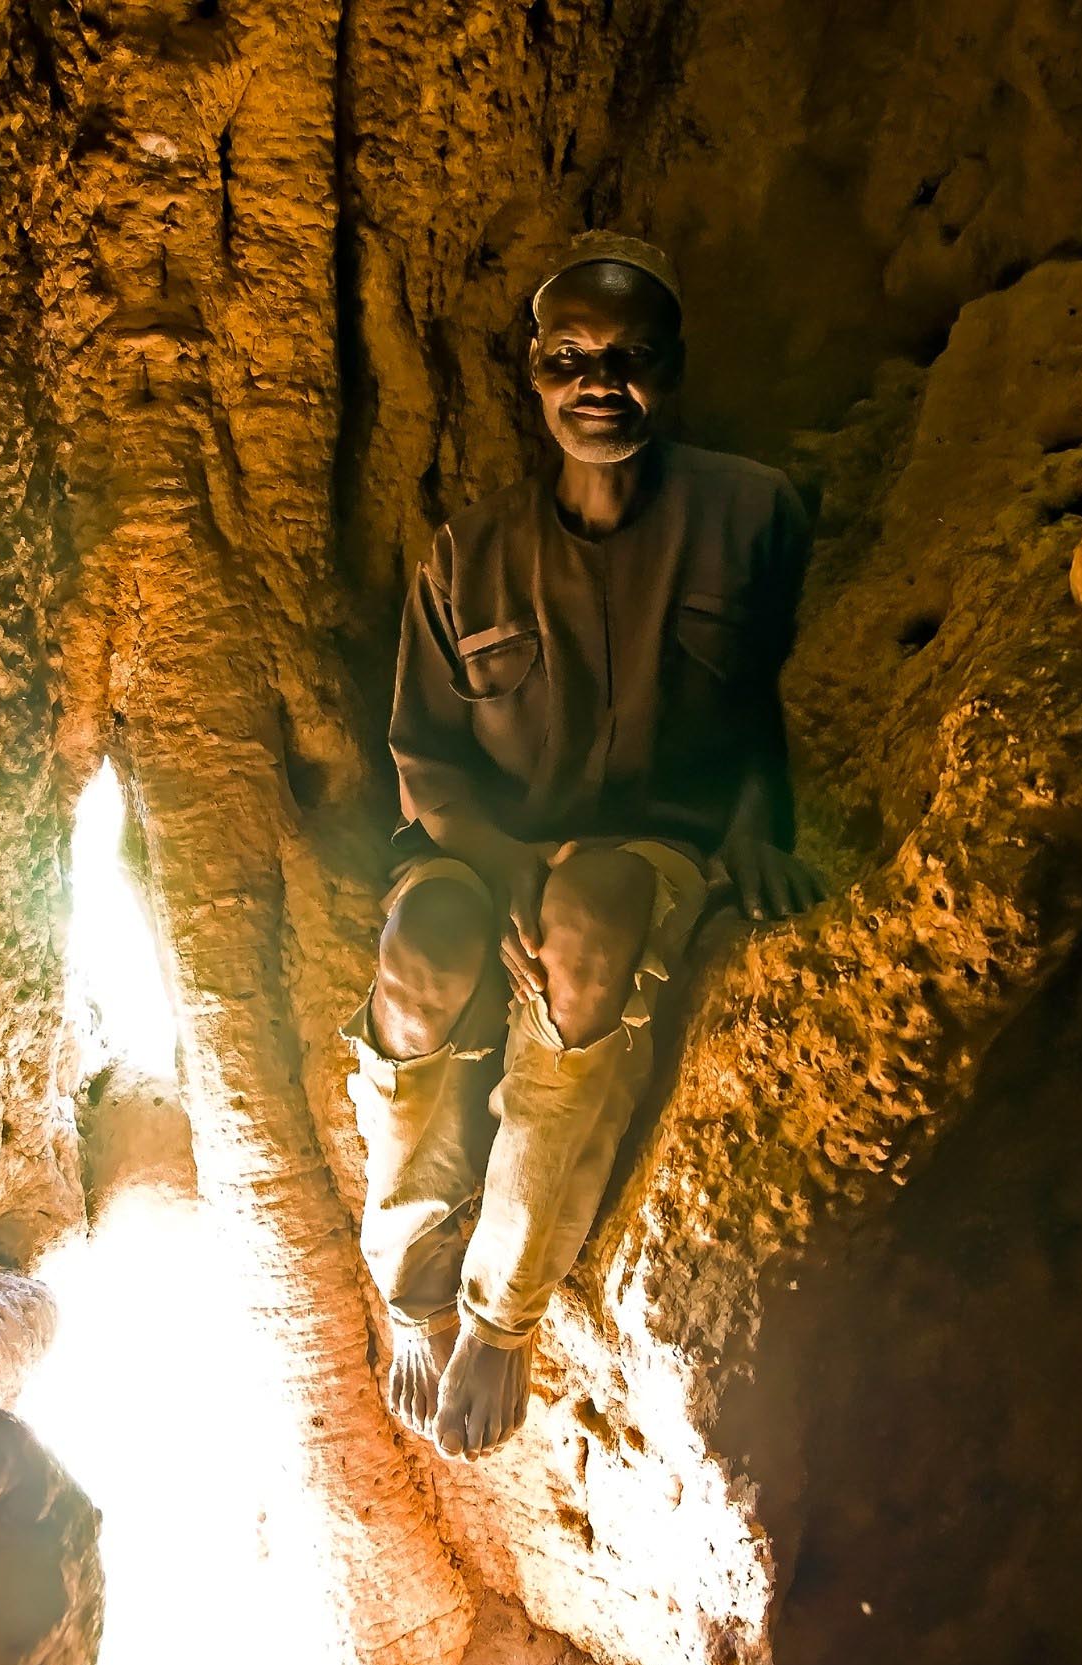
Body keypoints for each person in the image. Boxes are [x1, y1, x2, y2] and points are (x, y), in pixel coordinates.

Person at [342, 231, 822, 1463]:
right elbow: (427, 761)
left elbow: (783, 692)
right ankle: (409, 1276)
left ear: (672, 368)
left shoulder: (753, 513)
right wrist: (503, 868)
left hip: (653, 850)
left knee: (595, 909)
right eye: (569, 358)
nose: (598, 381)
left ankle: (501, 1311)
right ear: (535, 376)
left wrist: (763, 827)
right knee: (424, 943)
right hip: (491, 840)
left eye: (629, 356)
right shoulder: (469, 556)